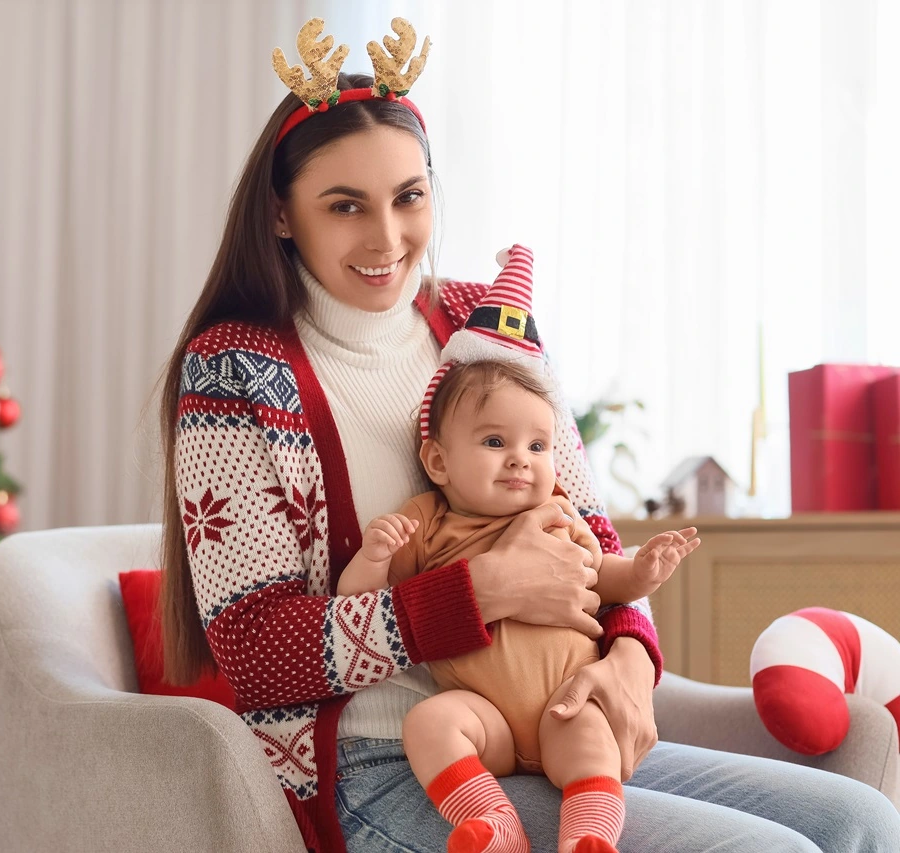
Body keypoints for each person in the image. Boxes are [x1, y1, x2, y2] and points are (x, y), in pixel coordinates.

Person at [158, 16, 900, 853]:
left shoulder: (487, 325)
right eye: (345, 207)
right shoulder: (233, 372)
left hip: (556, 725)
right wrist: (484, 595)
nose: (387, 239)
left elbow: (591, 528)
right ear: (283, 215)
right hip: (389, 763)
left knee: (860, 819)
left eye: (409, 197)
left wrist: (629, 660)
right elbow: (256, 652)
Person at [337, 262, 699, 852]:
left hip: (569, 698)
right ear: (438, 463)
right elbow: (362, 608)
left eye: (537, 445)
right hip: (489, 721)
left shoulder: (560, 512)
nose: (521, 460)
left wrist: (641, 570)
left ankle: (587, 836)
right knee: (429, 723)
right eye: (494, 442)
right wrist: (375, 557)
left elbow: (605, 579)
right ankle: (493, 824)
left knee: (589, 750)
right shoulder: (428, 522)